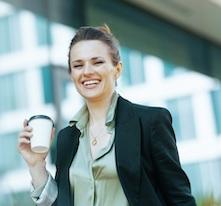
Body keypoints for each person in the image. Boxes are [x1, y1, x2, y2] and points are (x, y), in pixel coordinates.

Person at [18, 25, 197, 206]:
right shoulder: (67, 138)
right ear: (71, 75)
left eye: (97, 62)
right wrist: (36, 165)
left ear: (117, 69)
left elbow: (180, 199)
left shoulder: (150, 123)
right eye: (78, 65)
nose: (87, 71)